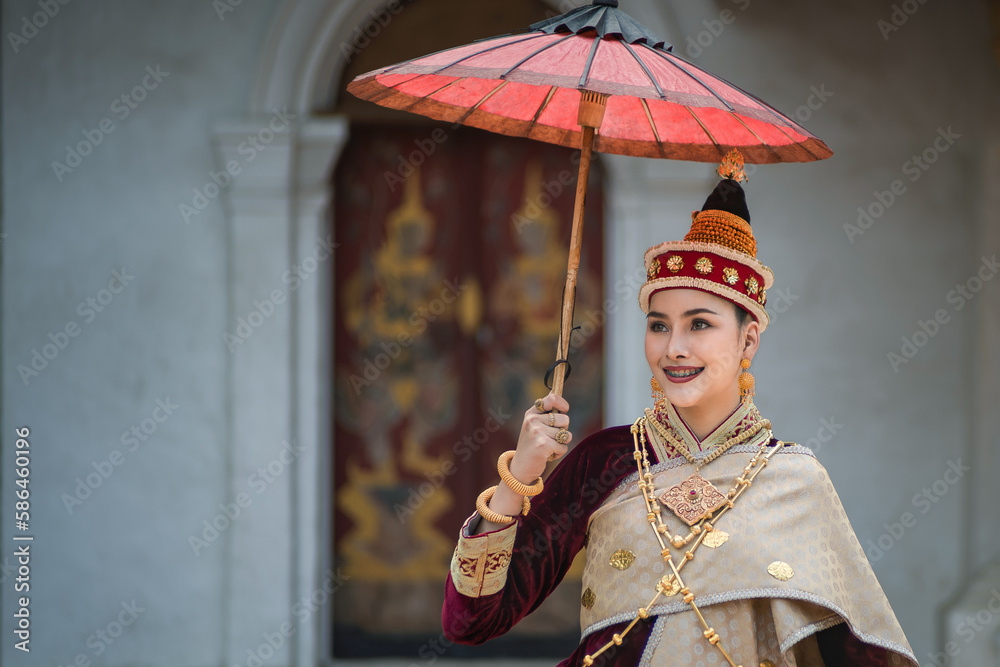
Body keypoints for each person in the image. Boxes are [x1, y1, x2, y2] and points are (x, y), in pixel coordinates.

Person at [442, 152, 917, 666]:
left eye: (699, 324)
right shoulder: (605, 461)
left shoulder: (796, 482)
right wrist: (522, 474)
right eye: (659, 324)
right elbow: (471, 621)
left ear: (749, 338)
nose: (674, 348)